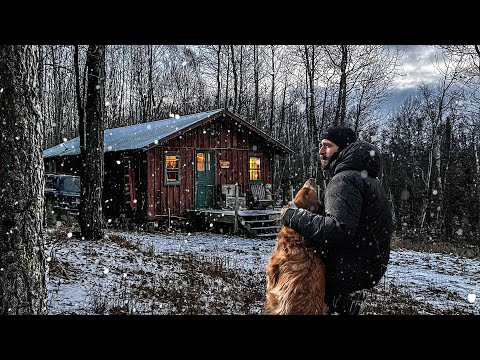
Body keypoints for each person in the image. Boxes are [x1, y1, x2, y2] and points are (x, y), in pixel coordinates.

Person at [281, 126, 393, 315]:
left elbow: (337, 229)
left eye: (327, 146)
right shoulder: (367, 178)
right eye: (321, 145)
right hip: (366, 266)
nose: (321, 151)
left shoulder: (344, 180)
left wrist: (293, 215)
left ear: (343, 149)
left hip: (347, 269)